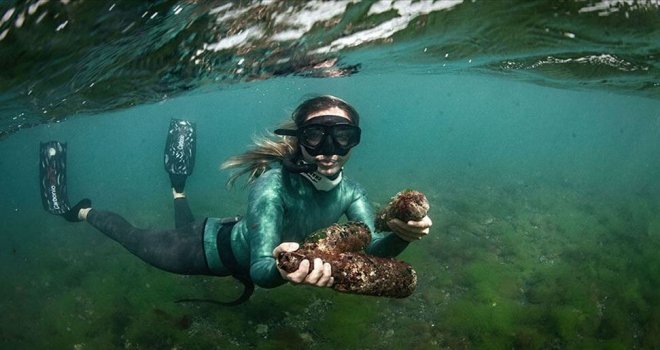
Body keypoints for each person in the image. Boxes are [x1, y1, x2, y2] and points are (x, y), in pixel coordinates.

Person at [41, 95, 432, 304]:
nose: (329, 150)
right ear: (298, 139)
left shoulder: (354, 192)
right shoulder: (272, 186)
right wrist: (284, 267)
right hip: (205, 251)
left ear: (355, 140)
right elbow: (261, 270)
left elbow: (373, 248)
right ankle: (80, 211)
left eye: (343, 136)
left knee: (183, 220)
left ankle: (178, 188)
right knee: (132, 237)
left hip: (232, 233)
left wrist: (402, 234)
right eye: (316, 137)